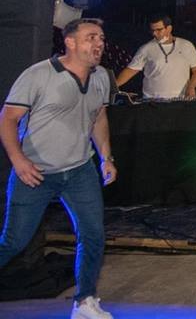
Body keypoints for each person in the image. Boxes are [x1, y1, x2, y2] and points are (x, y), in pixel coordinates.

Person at [0, 17, 117, 319]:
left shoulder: (102, 76)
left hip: (79, 170)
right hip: (36, 173)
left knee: (93, 235)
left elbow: (98, 117)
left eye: (101, 38)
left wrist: (105, 157)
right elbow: (8, 119)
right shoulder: (38, 75)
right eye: (92, 37)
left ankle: (85, 302)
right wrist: (18, 160)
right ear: (70, 42)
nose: (99, 43)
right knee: (14, 242)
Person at [114, 15, 196, 99]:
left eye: (158, 30)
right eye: (152, 30)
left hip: (180, 100)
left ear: (169, 28)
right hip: (152, 102)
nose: (154, 33)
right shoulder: (146, 48)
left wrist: (191, 87)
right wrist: (113, 86)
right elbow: (131, 70)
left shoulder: (186, 45)